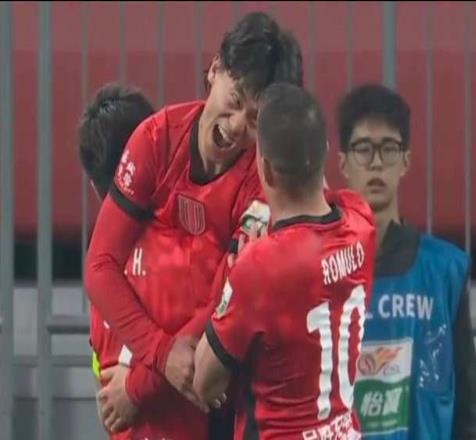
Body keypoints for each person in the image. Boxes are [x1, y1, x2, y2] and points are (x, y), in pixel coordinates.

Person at [83, 12, 303, 440]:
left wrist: (138, 386)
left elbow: (226, 302)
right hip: (157, 378)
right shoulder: (156, 138)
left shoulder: (262, 184)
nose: (236, 126)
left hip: (217, 399)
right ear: (214, 69)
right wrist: (160, 354)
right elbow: (100, 265)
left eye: (255, 119)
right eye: (234, 99)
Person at [193, 83, 376, 439]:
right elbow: (328, 200)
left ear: (265, 168)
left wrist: (238, 264)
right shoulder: (361, 221)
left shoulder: (259, 266)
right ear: (325, 153)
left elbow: (204, 382)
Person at [336, 83, 476, 439]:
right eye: (363, 148)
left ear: (405, 161)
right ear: (342, 163)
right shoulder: (321, 268)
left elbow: (467, 406)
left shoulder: (444, 270)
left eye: (388, 148)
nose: (376, 162)